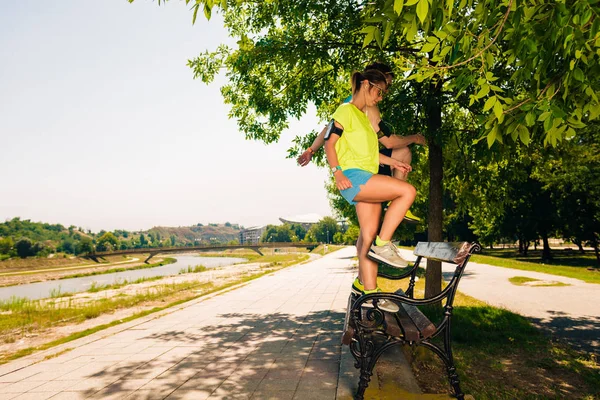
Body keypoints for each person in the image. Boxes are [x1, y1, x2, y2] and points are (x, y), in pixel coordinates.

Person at [324, 69, 417, 313]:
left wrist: (393, 163)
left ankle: (368, 291)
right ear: (366, 85)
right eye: (379, 91)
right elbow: (329, 142)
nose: (380, 97)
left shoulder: (364, 120)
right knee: (407, 192)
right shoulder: (345, 111)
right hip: (354, 178)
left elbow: (370, 155)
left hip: (366, 174)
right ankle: (384, 244)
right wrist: (337, 172)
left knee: (367, 236)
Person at [297, 62, 425, 222]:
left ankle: (394, 203)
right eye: (386, 86)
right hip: (359, 166)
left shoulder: (349, 103)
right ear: (374, 81)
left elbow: (327, 129)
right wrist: (415, 138)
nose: (386, 92)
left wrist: (311, 150)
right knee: (404, 152)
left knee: (368, 226)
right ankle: (397, 200)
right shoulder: (367, 107)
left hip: (356, 163)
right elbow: (389, 143)